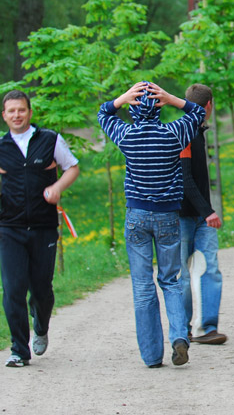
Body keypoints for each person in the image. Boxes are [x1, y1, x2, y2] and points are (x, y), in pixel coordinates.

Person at [98, 81, 205, 368]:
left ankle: (151, 356)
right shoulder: (173, 134)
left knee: (143, 286)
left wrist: (122, 98)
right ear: (158, 108)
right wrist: (170, 98)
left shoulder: (126, 136)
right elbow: (197, 113)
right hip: (168, 216)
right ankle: (180, 337)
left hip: (137, 217)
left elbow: (103, 114)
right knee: (171, 281)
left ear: (133, 110)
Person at [0, 90, 80, 368]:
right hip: (9, 228)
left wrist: (57, 187)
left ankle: (41, 325)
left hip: (44, 227)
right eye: (11, 111)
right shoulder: (1, 147)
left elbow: (72, 167)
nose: (17, 115)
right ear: (4, 116)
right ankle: (19, 350)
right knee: (12, 289)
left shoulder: (50, 139)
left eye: (21, 110)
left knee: (42, 290)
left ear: (30, 112)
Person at [178, 84, 227, 345]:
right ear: (209, 104)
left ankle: (208, 328)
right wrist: (207, 211)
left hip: (201, 216)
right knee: (183, 272)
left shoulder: (198, 131)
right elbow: (185, 179)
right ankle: (182, 328)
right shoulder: (183, 133)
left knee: (210, 268)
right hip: (182, 216)